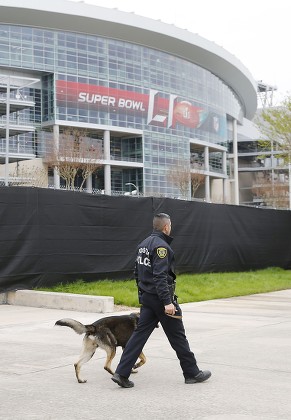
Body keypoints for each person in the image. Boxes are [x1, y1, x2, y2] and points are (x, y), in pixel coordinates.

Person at [111, 212, 211, 388]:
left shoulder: (143, 245)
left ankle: (121, 373)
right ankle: (192, 373)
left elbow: (137, 273)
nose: (170, 228)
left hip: (148, 299)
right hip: (160, 299)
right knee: (178, 337)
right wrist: (167, 302)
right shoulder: (161, 247)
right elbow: (160, 276)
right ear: (166, 227)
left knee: (138, 336)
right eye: (170, 225)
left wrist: (143, 296)